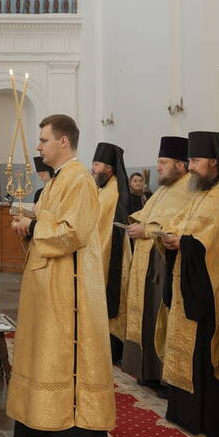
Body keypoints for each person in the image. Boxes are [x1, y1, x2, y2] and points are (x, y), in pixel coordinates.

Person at [6, 115, 115, 437]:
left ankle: (67, 428)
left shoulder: (78, 179)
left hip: (69, 289)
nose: (39, 147)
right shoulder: (57, 180)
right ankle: (38, 422)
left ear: (63, 141)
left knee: (61, 355)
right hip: (48, 283)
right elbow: (49, 221)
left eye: (44, 140)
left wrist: (32, 226)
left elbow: (74, 232)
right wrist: (29, 223)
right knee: (41, 353)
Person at [158, 131, 219, 437]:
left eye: (196, 160)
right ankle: (182, 411)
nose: (192, 166)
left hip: (210, 286)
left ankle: (207, 419)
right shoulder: (200, 193)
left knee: (203, 351)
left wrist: (181, 240)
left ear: (214, 162)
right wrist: (170, 238)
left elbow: (208, 241)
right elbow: (181, 225)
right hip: (187, 282)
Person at [121, 137, 192, 393]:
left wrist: (147, 231)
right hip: (148, 260)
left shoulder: (189, 189)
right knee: (148, 316)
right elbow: (148, 215)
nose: (158, 167)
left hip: (164, 262)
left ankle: (162, 375)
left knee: (160, 317)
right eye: (159, 161)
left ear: (181, 165)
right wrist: (138, 225)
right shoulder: (163, 189)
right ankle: (148, 371)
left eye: (163, 162)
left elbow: (181, 225)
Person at [91, 142, 132, 364]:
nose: (93, 168)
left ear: (109, 168)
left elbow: (108, 226)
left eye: (97, 164)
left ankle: (113, 350)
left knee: (112, 298)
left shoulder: (115, 190)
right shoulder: (103, 188)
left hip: (111, 253)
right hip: (98, 250)